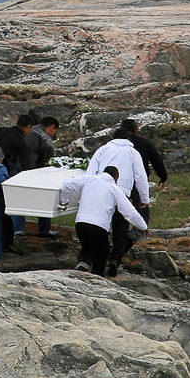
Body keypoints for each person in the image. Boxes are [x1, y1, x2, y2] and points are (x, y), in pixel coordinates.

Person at [57, 165, 148, 276]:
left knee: (87, 248)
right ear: (116, 177)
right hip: (99, 226)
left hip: (80, 223)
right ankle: (96, 279)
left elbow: (67, 184)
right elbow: (130, 212)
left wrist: (64, 201)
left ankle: (82, 266)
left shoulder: (88, 179)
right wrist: (143, 227)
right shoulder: (114, 189)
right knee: (101, 255)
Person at [86, 128, 150, 274]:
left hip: (102, 192)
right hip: (122, 193)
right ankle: (115, 259)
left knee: (100, 225)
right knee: (120, 229)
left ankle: (91, 259)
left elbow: (91, 172)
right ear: (128, 139)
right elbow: (141, 176)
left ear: (113, 138)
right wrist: (144, 199)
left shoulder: (103, 149)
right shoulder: (133, 153)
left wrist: (88, 192)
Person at [17, 116, 61, 239]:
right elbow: (48, 158)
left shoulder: (30, 130)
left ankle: (18, 229)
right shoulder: (43, 137)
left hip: (17, 171)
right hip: (35, 173)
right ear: (52, 126)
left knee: (17, 201)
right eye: (54, 131)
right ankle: (44, 229)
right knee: (45, 200)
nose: (53, 135)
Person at [121, 118, 168, 203]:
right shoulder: (144, 142)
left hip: (119, 181)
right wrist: (163, 177)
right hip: (139, 180)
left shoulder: (112, 145)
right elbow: (156, 161)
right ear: (136, 129)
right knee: (140, 209)